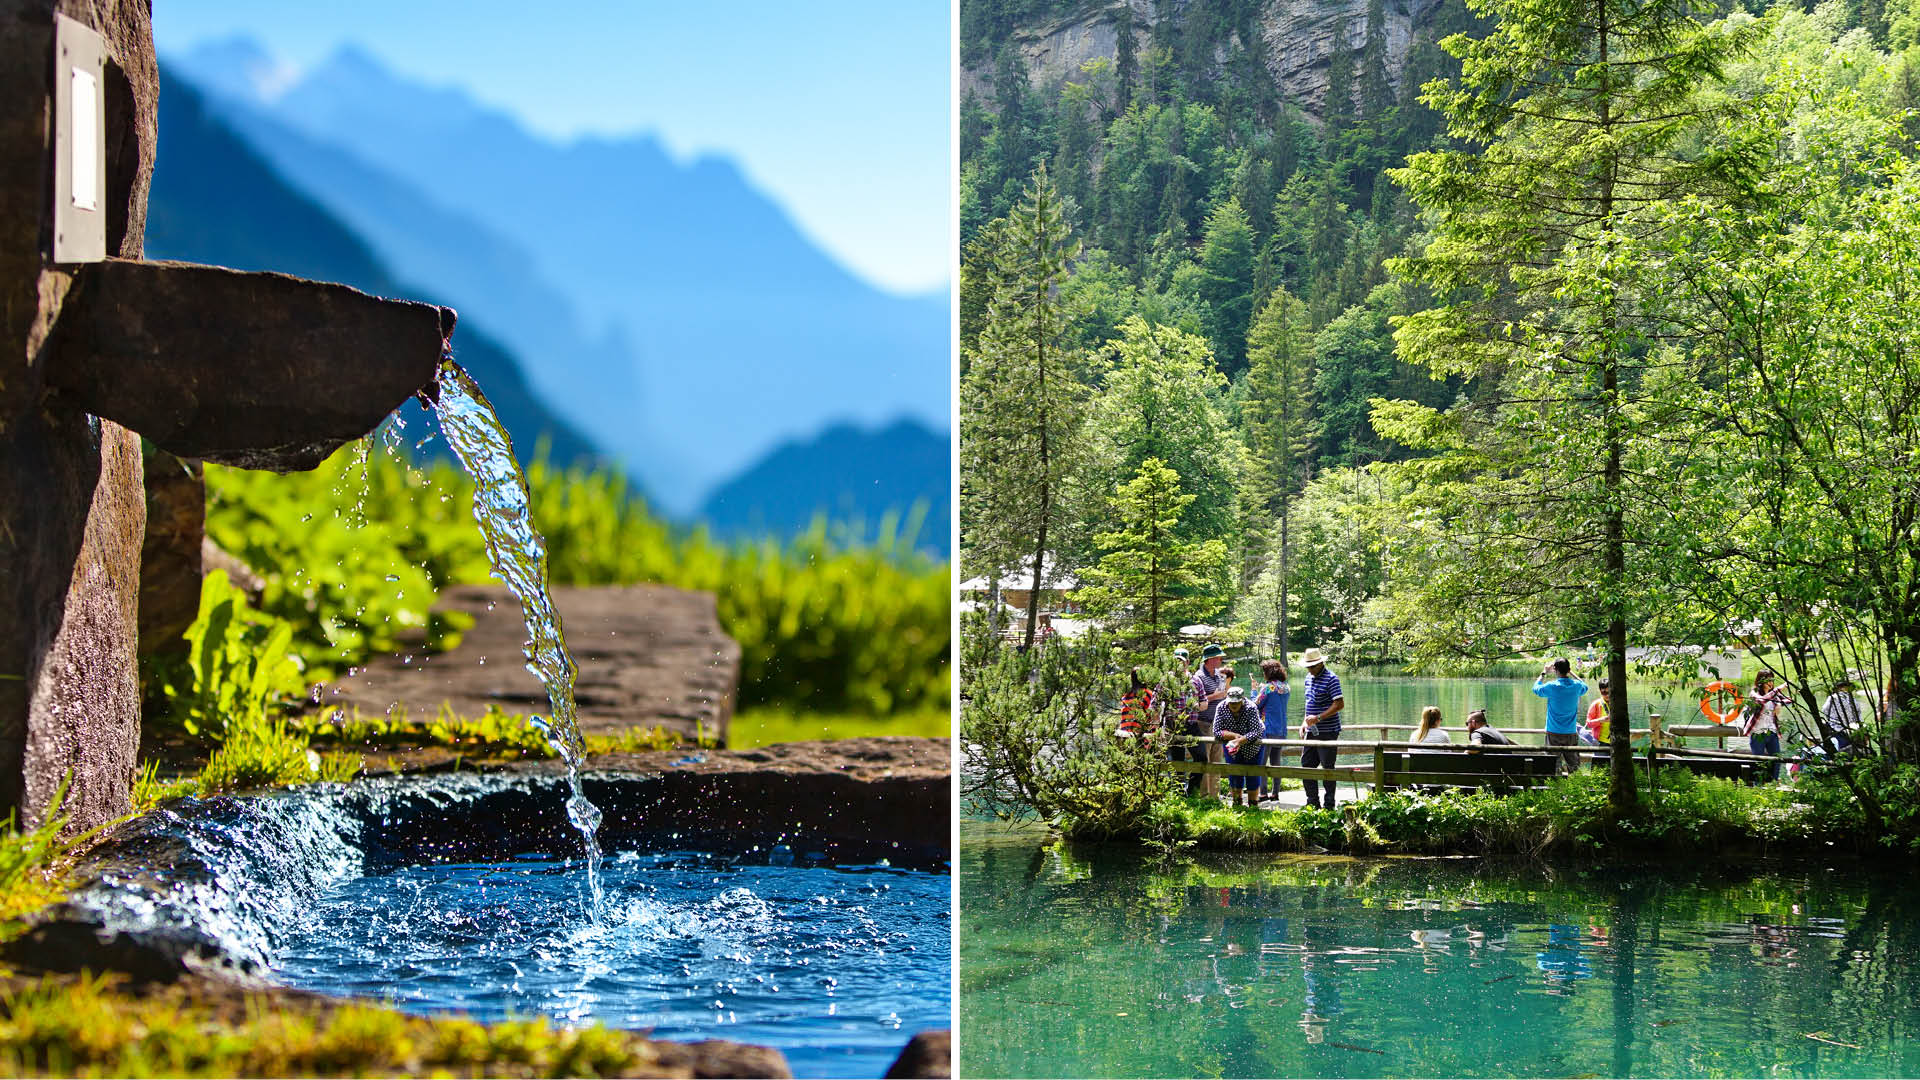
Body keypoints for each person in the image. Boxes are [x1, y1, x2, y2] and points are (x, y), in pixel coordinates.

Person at [1300, 649, 1344, 810]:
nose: (1309, 669)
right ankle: (1312, 802)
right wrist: (1304, 723)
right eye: (1308, 667)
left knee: (1327, 767)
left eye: (1312, 666)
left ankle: (1329, 805)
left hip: (1328, 730)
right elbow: (1308, 703)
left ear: (1320, 663)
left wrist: (1319, 717)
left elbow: (1339, 704)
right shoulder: (1308, 678)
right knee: (1306, 764)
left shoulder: (1332, 679)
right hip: (1311, 730)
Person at [1188, 644, 1232, 797]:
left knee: (1216, 760)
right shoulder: (1199, 677)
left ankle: (1215, 795)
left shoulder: (1219, 675)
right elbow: (1194, 701)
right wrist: (1215, 696)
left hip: (1217, 723)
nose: (1221, 660)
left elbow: (1222, 694)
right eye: (1218, 657)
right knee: (1204, 760)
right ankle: (1204, 795)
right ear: (1210, 660)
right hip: (1203, 722)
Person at [1533, 658, 1589, 774]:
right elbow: (1585, 686)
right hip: (1570, 732)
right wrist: (1571, 672)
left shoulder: (1551, 686)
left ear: (1555, 670)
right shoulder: (1577, 686)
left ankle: (1555, 788)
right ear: (1568, 670)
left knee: (1552, 764)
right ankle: (1575, 787)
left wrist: (1543, 673)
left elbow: (1536, 688)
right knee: (1574, 765)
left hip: (1553, 731)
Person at [1214, 686, 1264, 808]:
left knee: (1252, 772)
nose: (1234, 705)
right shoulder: (1221, 707)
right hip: (1232, 744)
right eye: (1231, 702)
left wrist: (1240, 741)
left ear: (1242, 700)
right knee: (1234, 772)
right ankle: (1237, 804)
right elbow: (1217, 731)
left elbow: (1256, 732)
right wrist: (1234, 737)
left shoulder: (1251, 707)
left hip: (1253, 744)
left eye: (1237, 702)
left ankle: (1253, 805)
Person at [1253, 660, 1291, 800]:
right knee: (1276, 762)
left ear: (1268, 673)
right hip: (1281, 729)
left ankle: (1263, 793)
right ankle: (1275, 793)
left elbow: (1255, 705)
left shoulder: (1268, 688)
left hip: (1267, 729)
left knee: (1262, 763)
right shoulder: (1286, 687)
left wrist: (1254, 690)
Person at [1744, 670, 1791, 782]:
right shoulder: (1754, 692)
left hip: (1772, 732)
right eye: (1767, 680)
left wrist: (1779, 703)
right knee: (1759, 763)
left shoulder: (1775, 694)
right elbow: (1762, 701)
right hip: (1757, 733)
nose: (1770, 683)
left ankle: (1773, 784)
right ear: (1760, 681)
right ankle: (1758, 786)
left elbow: (1789, 700)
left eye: (1771, 680)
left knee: (1776, 760)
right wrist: (1779, 688)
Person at [1821, 677, 1862, 753]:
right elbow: (1858, 714)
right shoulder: (1853, 699)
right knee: (1849, 749)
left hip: (1835, 728)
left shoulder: (1832, 698)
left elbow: (1824, 710)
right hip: (1851, 729)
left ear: (1838, 688)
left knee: (1838, 748)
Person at [1117, 668, 1157, 739]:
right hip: (1141, 735)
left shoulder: (1125, 696)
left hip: (1124, 734)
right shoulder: (1148, 694)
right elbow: (1152, 716)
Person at [1585, 678, 1610, 744]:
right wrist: (1601, 720)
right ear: (1600, 691)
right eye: (1604, 692)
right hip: (1600, 742)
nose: (1607, 695)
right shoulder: (1596, 704)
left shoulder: (1617, 704)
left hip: (1616, 741)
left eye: (1609, 692)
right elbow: (1589, 724)